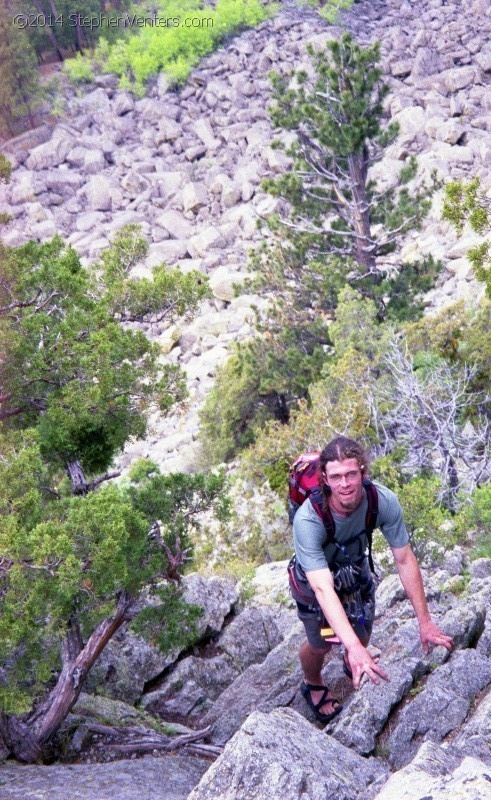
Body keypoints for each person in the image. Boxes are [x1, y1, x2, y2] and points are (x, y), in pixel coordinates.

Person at [291, 435, 453, 723]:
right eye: (337, 476)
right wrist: (350, 647)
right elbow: (322, 587)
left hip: (354, 567)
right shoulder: (309, 520)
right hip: (315, 577)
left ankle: (352, 656)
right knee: (321, 644)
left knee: (362, 631)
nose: (345, 484)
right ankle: (312, 682)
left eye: (352, 474)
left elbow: (404, 558)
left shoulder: (382, 500)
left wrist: (425, 622)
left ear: (363, 473)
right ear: (325, 480)